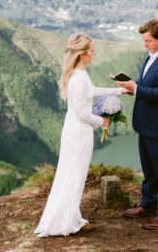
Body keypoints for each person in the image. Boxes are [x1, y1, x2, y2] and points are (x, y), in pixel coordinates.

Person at [35, 33, 125, 237]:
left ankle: (71, 218)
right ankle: (65, 222)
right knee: (74, 175)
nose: (94, 53)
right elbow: (81, 113)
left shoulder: (80, 74)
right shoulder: (77, 79)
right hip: (78, 133)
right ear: (83, 53)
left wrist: (120, 91)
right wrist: (102, 121)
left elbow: (92, 91)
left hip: (77, 131)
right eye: (91, 50)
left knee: (74, 175)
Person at [116, 19, 158, 230]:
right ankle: (147, 204)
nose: (145, 45)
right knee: (149, 168)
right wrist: (133, 86)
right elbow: (149, 82)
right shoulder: (154, 54)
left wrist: (136, 89)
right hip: (146, 123)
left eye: (148, 41)